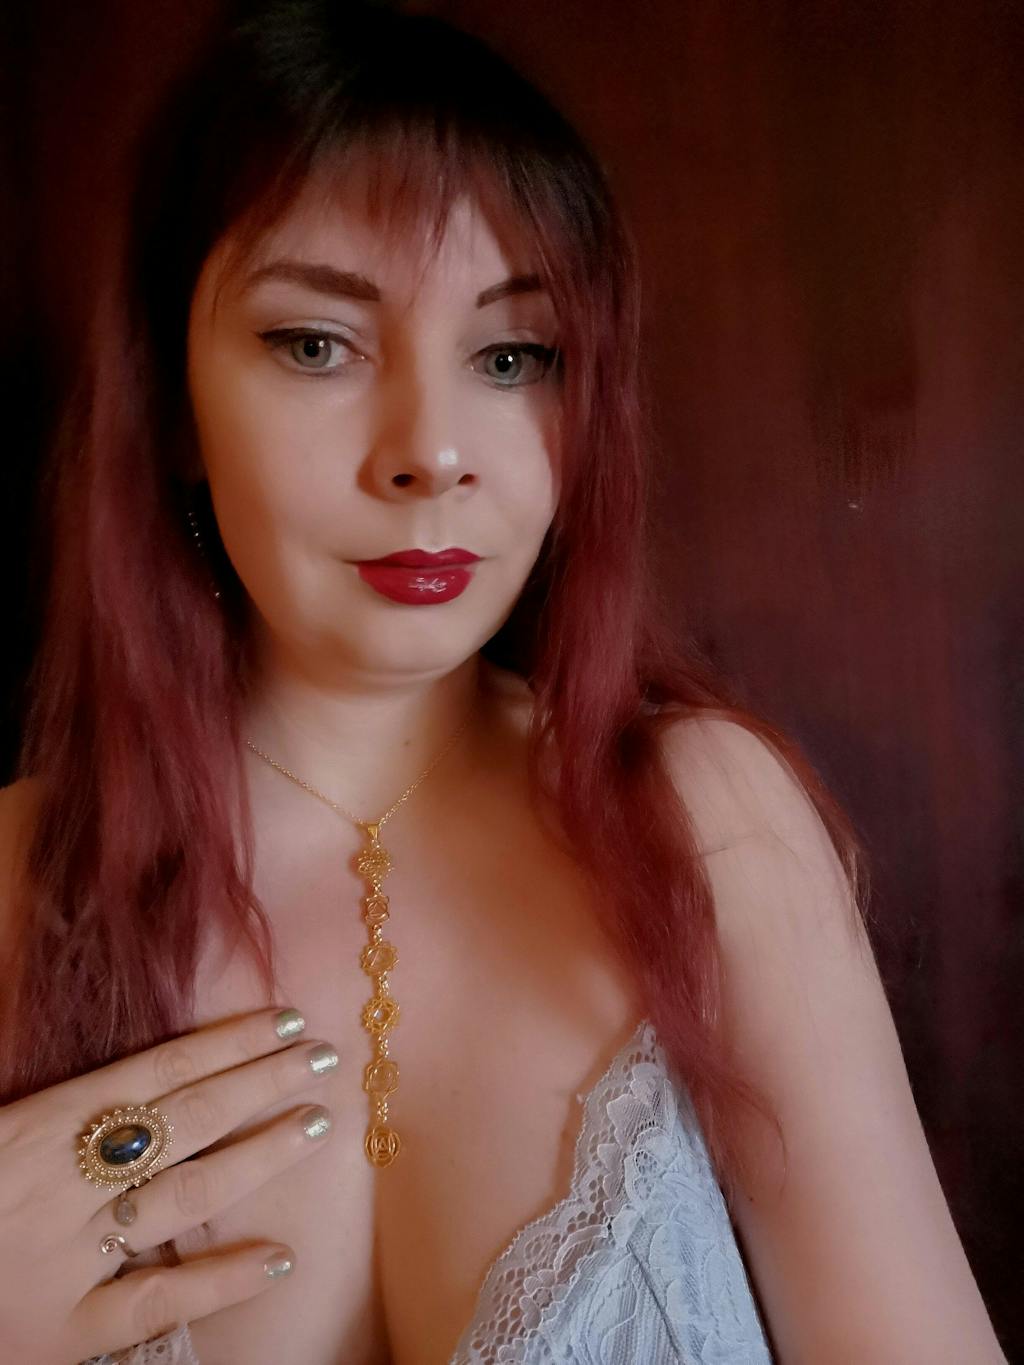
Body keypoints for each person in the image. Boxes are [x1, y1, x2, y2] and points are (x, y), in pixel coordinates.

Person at [0, 1, 1008, 1362]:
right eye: (317, 343)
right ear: (172, 399)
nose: (431, 452)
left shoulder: (703, 824)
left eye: (513, 356)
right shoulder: (17, 888)